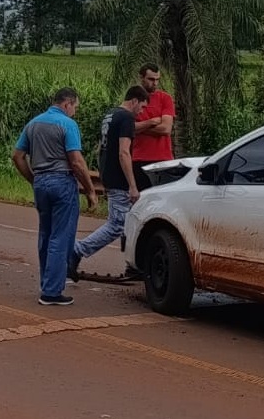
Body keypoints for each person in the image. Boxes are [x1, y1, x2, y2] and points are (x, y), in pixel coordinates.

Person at [12, 88, 98, 306]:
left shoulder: (33, 123)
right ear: (67, 104)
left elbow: (17, 156)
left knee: (46, 233)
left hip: (41, 182)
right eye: (75, 107)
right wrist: (90, 189)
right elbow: (76, 161)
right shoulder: (68, 124)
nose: (75, 112)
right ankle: (51, 291)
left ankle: (47, 282)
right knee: (61, 236)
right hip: (62, 182)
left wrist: (33, 179)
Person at [68, 86, 150, 280]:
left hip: (109, 174)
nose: (142, 112)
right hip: (119, 179)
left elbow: (101, 148)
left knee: (127, 223)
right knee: (117, 225)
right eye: (142, 107)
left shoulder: (110, 115)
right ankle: (77, 250)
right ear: (134, 101)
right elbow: (124, 152)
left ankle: (135, 264)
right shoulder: (126, 118)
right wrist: (132, 185)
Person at [132, 64, 176, 192]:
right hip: (140, 159)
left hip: (163, 159)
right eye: (151, 79)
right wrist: (151, 122)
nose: (155, 83)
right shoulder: (133, 100)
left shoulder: (165, 98)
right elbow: (129, 127)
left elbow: (166, 129)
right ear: (141, 78)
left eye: (157, 80)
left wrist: (141, 127)